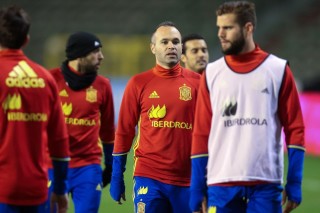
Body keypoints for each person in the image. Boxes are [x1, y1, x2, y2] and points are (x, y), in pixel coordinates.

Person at [189, 1, 305, 213]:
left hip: (266, 184)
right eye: (218, 28)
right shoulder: (212, 73)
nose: (220, 34)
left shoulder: (278, 70)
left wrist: (295, 181)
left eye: (228, 28)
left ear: (248, 28)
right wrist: (197, 186)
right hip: (220, 183)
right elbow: (201, 133)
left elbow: (295, 129)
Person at [110, 21, 200, 213]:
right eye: (164, 41)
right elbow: (124, 131)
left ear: (181, 47)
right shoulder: (138, 83)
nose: (171, 46)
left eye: (175, 41)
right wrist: (117, 175)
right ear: (153, 48)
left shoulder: (198, 83)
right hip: (149, 176)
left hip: (189, 179)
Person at [0, 5, 70, 213]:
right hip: (37, 190)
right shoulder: (45, 78)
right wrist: (60, 189)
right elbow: (59, 140)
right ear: (26, 39)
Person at [48, 32, 115, 213]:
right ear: (79, 54)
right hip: (51, 164)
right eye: (95, 51)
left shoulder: (103, 85)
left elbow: (108, 130)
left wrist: (110, 165)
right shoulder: (50, 80)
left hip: (88, 166)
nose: (101, 56)